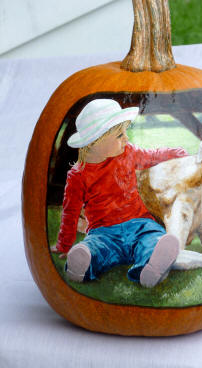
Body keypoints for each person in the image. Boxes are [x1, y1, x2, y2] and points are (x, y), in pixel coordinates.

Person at [51, 99, 188, 288]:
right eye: (119, 135)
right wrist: (64, 245)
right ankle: (82, 262)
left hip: (140, 224)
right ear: (95, 142)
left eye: (125, 133)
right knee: (97, 248)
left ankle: (151, 267)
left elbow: (151, 156)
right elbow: (70, 212)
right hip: (104, 232)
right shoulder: (78, 174)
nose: (126, 139)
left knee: (152, 239)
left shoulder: (128, 153)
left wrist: (174, 153)